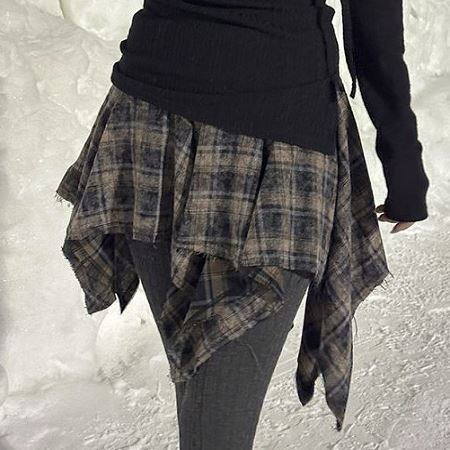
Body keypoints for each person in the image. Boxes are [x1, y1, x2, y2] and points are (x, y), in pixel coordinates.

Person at [54, 0, 429, 448]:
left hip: (153, 124)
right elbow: (375, 30)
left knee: (203, 380)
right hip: (265, 132)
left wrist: (404, 162)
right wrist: (404, 163)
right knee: (210, 394)